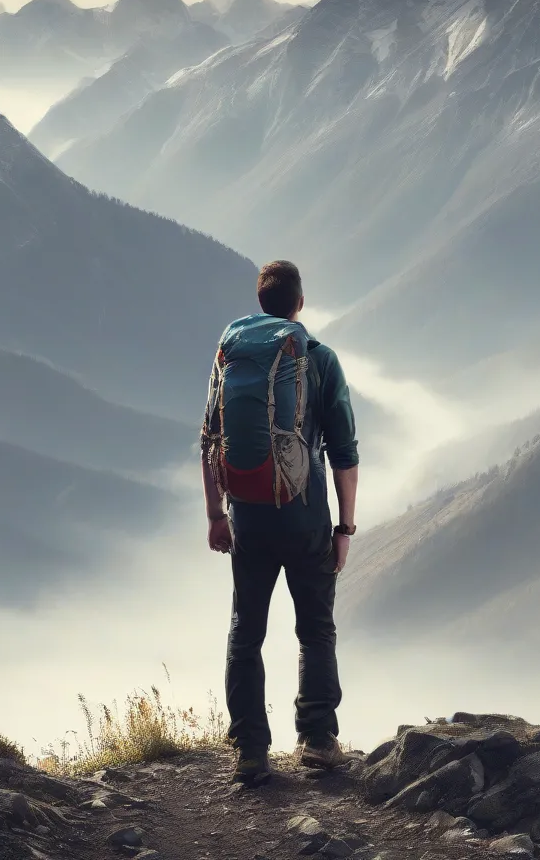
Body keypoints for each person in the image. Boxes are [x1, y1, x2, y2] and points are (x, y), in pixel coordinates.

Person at [200, 260, 359, 787]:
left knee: (246, 630)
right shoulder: (318, 360)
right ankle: (316, 739)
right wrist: (345, 529)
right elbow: (344, 454)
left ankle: (250, 749)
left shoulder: (231, 354)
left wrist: (216, 516)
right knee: (315, 627)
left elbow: (209, 441)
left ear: (261, 301)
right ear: (300, 304)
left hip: (246, 514)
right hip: (304, 511)